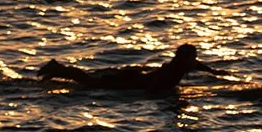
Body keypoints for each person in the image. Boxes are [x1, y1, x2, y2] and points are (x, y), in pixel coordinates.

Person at [38, 43, 226, 93]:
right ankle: (58, 68)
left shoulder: (185, 65)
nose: (194, 60)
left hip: (136, 78)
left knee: (91, 81)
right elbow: (154, 84)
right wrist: (149, 95)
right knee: (91, 83)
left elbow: (199, 65)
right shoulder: (173, 69)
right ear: (182, 57)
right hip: (131, 81)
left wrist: (213, 72)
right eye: (191, 57)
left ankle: (59, 70)